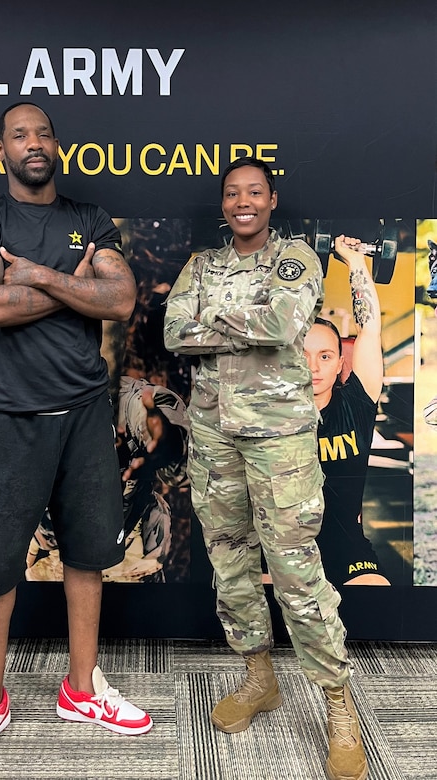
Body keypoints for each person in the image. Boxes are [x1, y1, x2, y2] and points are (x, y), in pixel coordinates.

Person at [0, 102, 152, 779]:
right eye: (19, 134)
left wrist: (34, 274)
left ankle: (81, 689)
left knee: (88, 554)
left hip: (86, 413)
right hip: (7, 416)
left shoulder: (88, 217)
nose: (33, 143)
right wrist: (76, 284)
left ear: (57, 146)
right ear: (0, 149)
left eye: (43, 133)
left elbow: (119, 298)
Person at [164, 157, 368, 780]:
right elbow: (174, 331)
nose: (242, 202)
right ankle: (259, 679)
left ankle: (339, 707)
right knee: (229, 562)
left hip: (279, 440)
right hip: (214, 434)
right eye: (232, 193)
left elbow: (283, 323)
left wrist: (214, 322)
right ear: (223, 203)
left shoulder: (296, 259)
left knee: (295, 567)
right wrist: (244, 326)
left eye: (254, 192)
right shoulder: (202, 263)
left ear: (272, 200)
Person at [25, 375, 189, 583]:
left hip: (128, 544)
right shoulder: (34, 403)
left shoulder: (132, 402)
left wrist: (171, 446)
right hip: (59, 547)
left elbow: (179, 467)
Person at [305, 243, 390, 586]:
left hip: (346, 548)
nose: (313, 367)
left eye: (325, 356)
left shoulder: (356, 402)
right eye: (303, 355)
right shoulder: (271, 414)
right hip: (282, 548)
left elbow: (370, 329)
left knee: (376, 601)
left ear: (341, 363)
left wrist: (354, 260)